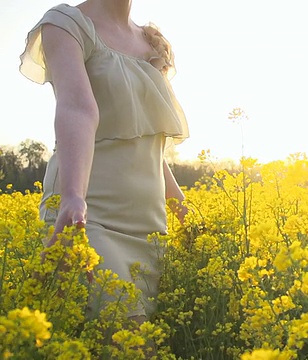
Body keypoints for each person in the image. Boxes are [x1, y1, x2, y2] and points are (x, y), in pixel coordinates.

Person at [19, 0, 189, 323]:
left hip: (149, 229)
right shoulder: (66, 24)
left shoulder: (151, 43)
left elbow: (147, 143)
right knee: (132, 341)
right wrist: (72, 195)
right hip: (89, 215)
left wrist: (182, 208)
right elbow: (78, 109)